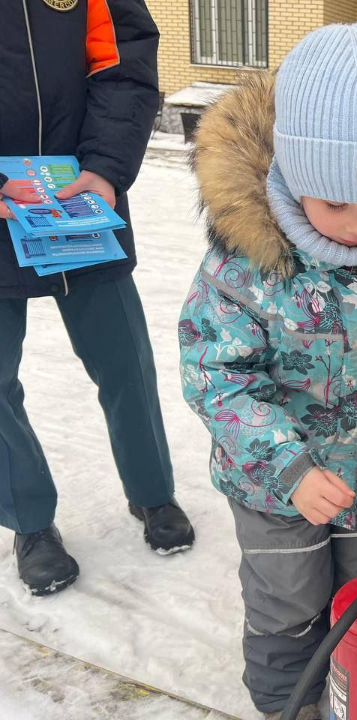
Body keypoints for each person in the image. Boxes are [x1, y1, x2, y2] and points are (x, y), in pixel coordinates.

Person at [178, 23, 357, 719]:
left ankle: (351, 689)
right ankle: (289, 707)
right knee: (289, 608)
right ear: (293, 175)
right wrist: (290, 469)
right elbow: (219, 374)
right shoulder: (247, 261)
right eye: (336, 203)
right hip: (275, 492)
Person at [0, 0, 194, 597]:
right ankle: (31, 523)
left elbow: (125, 64)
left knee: (125, 360)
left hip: (81, 197)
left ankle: (152, 493)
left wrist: (106, 168)